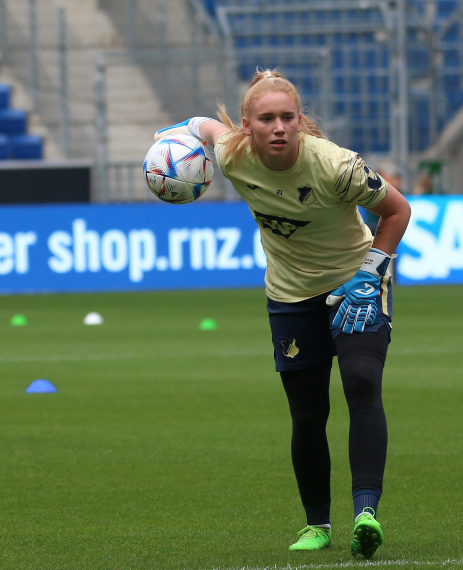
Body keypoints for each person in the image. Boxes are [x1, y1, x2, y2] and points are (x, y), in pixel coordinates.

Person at [154, 70, 411, 559]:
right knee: (308, 414)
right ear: (248, 126)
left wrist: (370, 274)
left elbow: (398, 211)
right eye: (266, 119)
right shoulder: (232, 154)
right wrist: (176, 134)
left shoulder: (337, 165)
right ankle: (317, 524)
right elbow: (205, 126)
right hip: (291, 296)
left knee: (361, 382)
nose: (278, 127)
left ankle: (366, 515)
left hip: (355, 286)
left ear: (300, 122)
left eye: (287, 118)